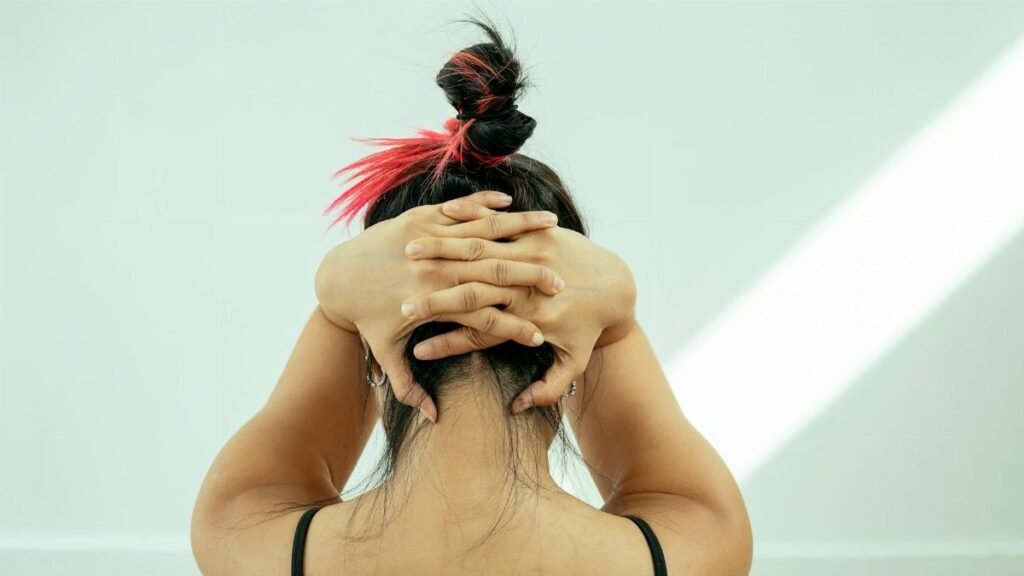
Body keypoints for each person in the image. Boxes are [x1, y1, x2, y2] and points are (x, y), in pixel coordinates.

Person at [191, 15, 752, 576]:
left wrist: (336, 297)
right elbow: (675, 492)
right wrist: (617, 312)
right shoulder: (688, 552)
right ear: (568, 358)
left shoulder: (252, 540)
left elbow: (270, 477)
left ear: (377, 355)